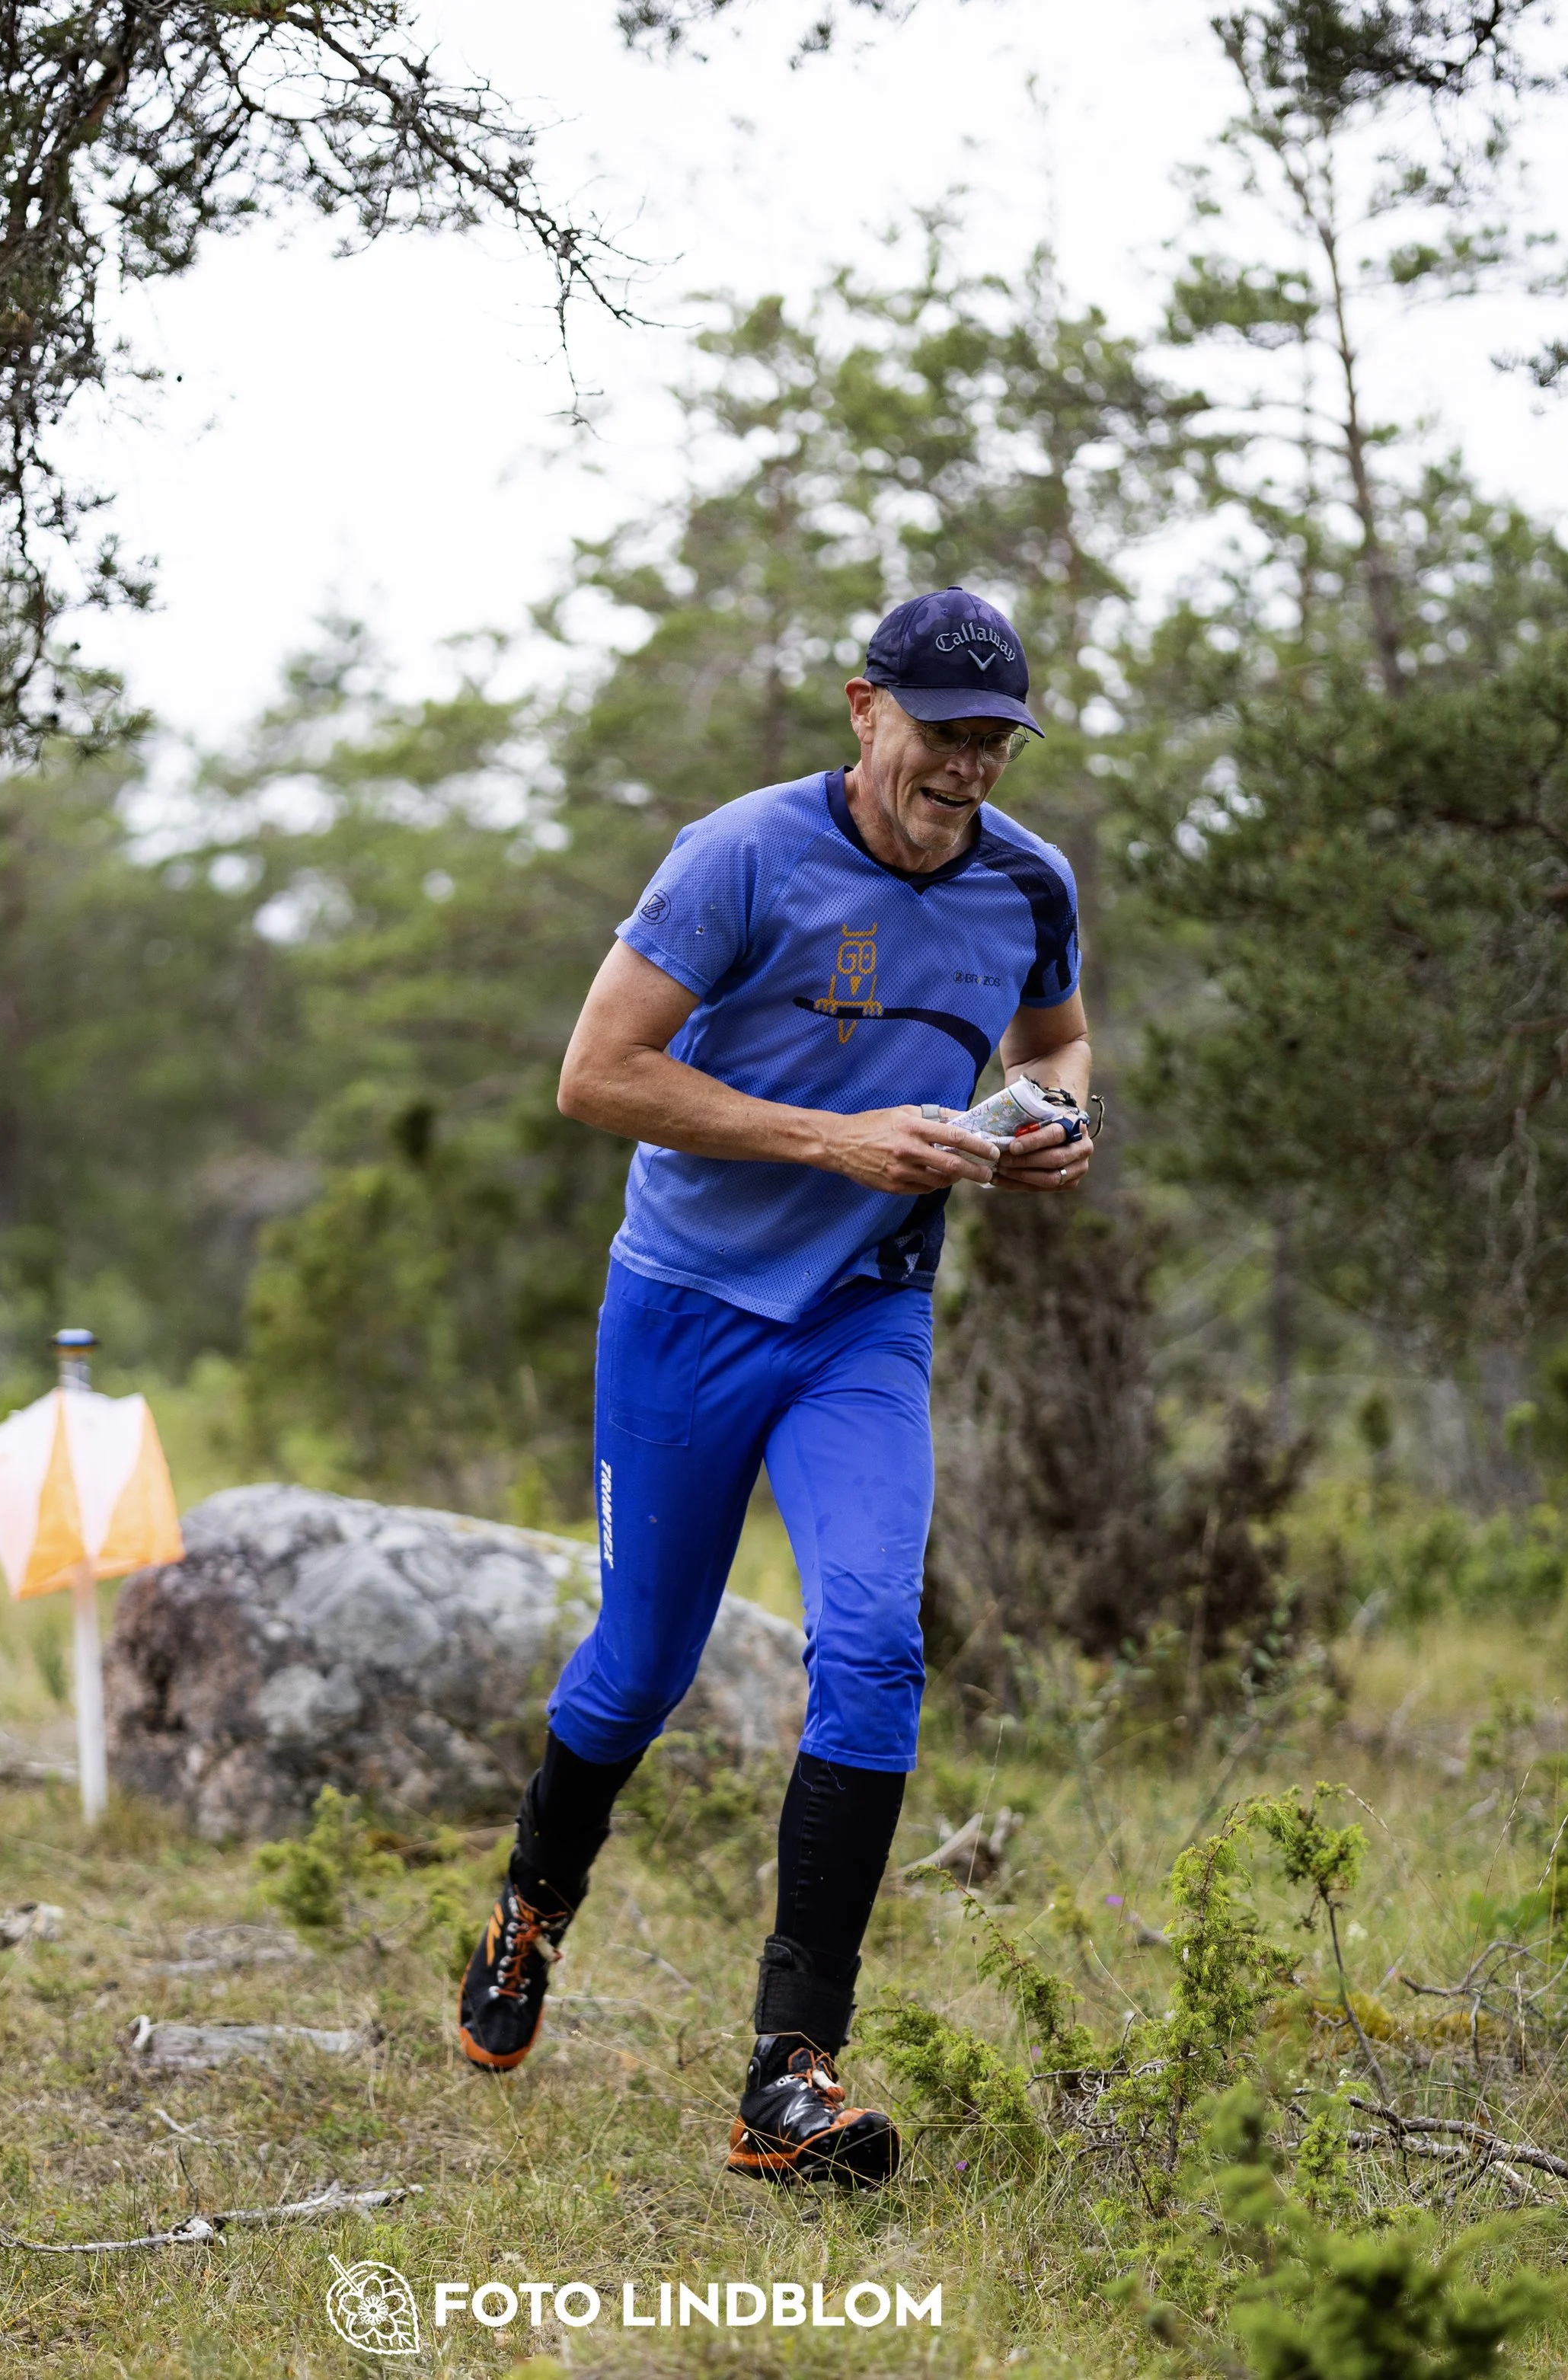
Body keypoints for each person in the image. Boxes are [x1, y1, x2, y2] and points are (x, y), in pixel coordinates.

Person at [456, 586, 1094, 2187]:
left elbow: (1059, 1036)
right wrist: (839, 1136)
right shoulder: (739, 852)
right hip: (683, 1308)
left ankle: (786, 2071)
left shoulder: (1028, 880)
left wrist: (1044, 1125)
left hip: (861, 1319)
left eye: (991, 741)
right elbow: (593, 1075)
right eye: (939, 731)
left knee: (873, 1643)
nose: (963, 767)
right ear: (862, 707)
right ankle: (533, 1899)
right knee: (637, 1666)